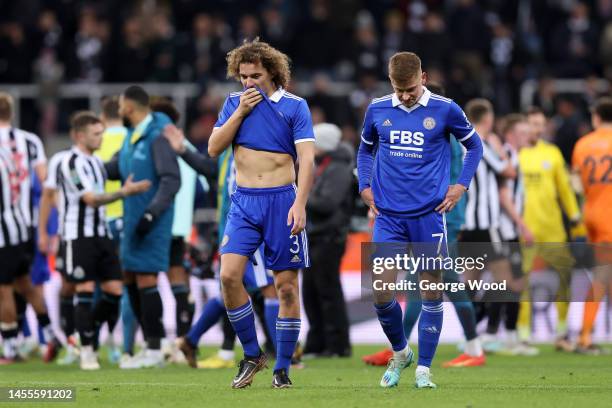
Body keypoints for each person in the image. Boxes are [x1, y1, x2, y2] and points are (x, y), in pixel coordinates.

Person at [357, 52, 482, 389]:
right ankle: (400, 351)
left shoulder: (446, 109)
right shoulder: (378, 109)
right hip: (389, 216)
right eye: (399, 89)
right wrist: (364, 185)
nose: (405, 95)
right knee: (381, 292)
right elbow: (365, 149)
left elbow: (475, 146)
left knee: (430, 292)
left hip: (428, 216)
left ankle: (424, 368)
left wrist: (459, 186)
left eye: (410, 88)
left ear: (423, 78)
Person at [206, 39, 315, 389]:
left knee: (285, 288)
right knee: (228, 276)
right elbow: (212, 149)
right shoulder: (233, 105)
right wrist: (240, 112)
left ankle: (282, 367)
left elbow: (308, 159)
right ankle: (253, 355)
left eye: (254, 76)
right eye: (242, 76)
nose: (247, 83)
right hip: (244, 202)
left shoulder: (295, 106)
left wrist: (300, 204)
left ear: (272, 73)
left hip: (282, 202)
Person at [39, 111, 150, 370]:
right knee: (84, 289)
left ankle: (82, 334)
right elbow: (89, 198)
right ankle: (87, 350)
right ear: (79, 135)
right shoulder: (69, 162)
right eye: (96, 134)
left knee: (114, 291)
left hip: (102, 235)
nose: (101, 138)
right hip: (78, 237)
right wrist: (125, 192)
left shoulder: (97, 163)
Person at [106, 86, 181, 369]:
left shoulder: (156, 136)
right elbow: (116, 170)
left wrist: (151, 215)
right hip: (131, 220)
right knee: (129, 278)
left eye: (122, 107)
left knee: (146, 279)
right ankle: (150, 345)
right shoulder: (131, 137)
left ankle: (155, 347)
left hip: (151, 222)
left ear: (130, 107)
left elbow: (171, 180)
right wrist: (84, 167)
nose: (120, 112)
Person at [0, 92, 59, 364]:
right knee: (26, 283)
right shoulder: (31, 141)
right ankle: (50, 334)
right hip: (26, 227)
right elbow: (47, 185)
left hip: (3, 231)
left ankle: (10, 349)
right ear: (11, 112)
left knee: (3, 289)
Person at [518, 107, 581, 351]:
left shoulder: (553, 153)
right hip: (526, 229)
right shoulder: (516, 154)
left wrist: (575, 216)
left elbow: (565, 189)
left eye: (540, 124)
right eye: (533, 124)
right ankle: (523, 333)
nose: (538, 128)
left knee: (564, 277)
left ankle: (562, 332)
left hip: (553, 228)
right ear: (525, 125)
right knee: (521, 282)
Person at [302, 123, 353, 358]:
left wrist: (301, 196)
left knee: (327, 292)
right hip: (316, 235)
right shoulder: (327, 165)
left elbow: (327, 204)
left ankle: (337, 345)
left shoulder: (338, 167)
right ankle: (317, 343)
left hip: (329, 236)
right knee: (312, 292)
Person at [572, 97, 612, 353]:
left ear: (596, 116)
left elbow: (576, 184)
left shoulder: (582, 144)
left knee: (602, 275)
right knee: (602, 277)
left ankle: (586, 334)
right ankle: (584, 337)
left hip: (592, 215)